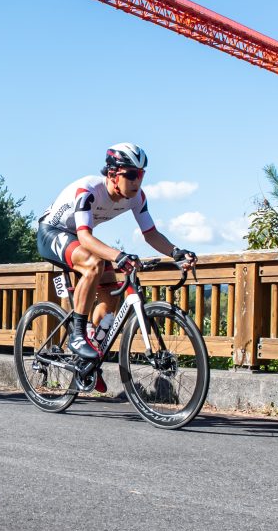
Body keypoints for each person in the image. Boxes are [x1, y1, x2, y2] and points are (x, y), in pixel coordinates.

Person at [36, 143, 197, 388]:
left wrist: (176, 252)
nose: (137, 181)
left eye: (141, 174)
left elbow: (151, 234)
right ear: (112, 174)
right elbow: (85, 237)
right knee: (94, 264)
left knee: (111, 289)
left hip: (78, 237)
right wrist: (119, 255)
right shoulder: (89, 190)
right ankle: (77, 335)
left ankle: (89, 356)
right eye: (131, 174)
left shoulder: (136, 197)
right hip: (53, 232)